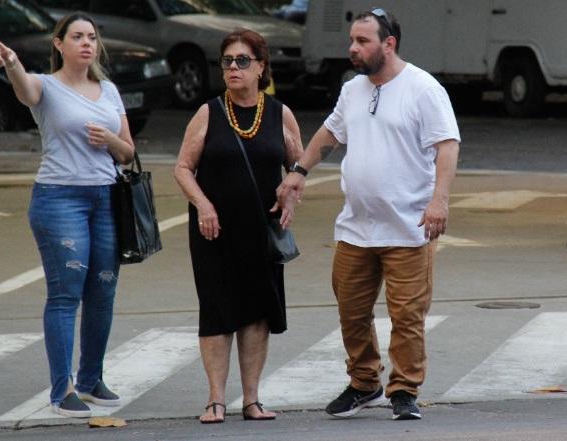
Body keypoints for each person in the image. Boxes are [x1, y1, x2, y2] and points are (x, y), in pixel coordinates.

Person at [277, 8, 460, 421]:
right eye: (352, 41)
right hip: (356, 227)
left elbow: (447, 145)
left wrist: (440, 200)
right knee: (351, 310)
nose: (352, 49)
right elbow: (331, 133)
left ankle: (404, 390)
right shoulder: (353, 89)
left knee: (407, 316)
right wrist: (299, 172)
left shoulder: (423, 88)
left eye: (362, 41)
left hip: (408, 226)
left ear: (388, 44)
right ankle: (364, 384)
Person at [0, 13, 135, 418]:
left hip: (106, 198)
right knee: (66, 292)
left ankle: (91, 379)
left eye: (91, 36)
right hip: (59, 199)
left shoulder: (108, 90)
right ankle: (61, 390)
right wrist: (13, 64)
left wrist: (110, 141)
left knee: (102, 291)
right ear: (59, 44)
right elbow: (25, 92)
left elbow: (128, 153)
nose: (87, 43)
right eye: (77, 36)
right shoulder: (46, 86)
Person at [174, 29, 303, 424]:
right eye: (227, 61)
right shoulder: (208, 112)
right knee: (216, 309)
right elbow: (182, 168)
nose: (233, 67)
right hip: (214, 230)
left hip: (261, 230)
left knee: (256, 313)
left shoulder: (279, 113)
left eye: (242, 60)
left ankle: (251, 400)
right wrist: (203, 205)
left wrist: (290, 196)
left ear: (261, 66)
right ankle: (215, 399)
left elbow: (298, 167)